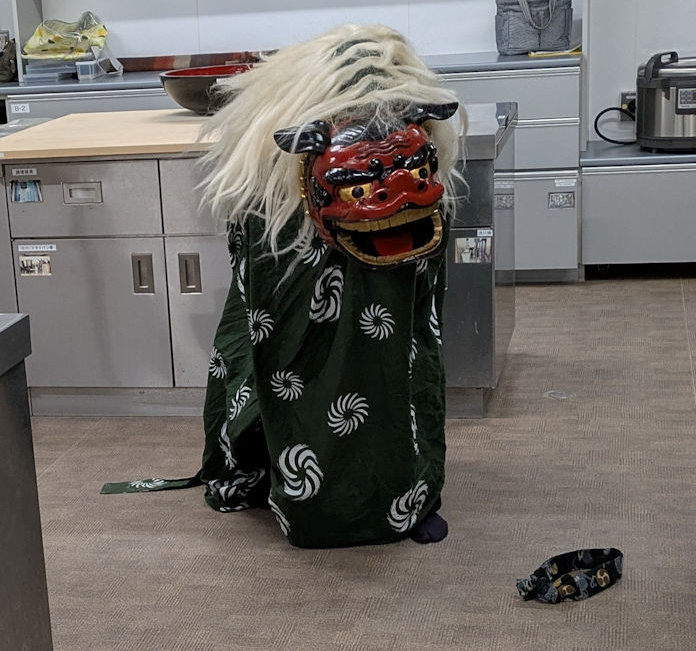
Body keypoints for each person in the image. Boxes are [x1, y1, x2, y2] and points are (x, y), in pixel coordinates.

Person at [104, 24, 465, 549]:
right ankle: (296, 475)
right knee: (297, 360)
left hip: (401, 234)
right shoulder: (278, 174)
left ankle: (391, 485)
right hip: (302, 231)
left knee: (388, 360)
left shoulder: (407, 133)